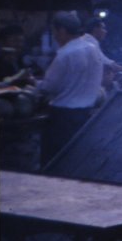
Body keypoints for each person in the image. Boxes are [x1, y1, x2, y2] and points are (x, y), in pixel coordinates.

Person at [34, 12, 104, 167]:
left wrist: (33, 84)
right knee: (77, 162)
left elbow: (49, 86)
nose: (55, 37)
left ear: (62, 31)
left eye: (55, 32)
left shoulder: (65, 54)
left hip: (63, 117)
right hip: (86, 114)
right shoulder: (93, 49)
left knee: (54, 163)